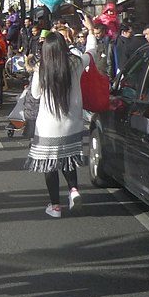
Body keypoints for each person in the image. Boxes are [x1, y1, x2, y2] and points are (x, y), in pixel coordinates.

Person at [26, 13, 96, 218]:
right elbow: (92, 52)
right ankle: (74, 190)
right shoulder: (75, 63)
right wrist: (91, 31)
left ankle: (55, 206)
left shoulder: (41, 67)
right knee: (68, 159)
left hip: (48, 125)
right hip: (73, 123)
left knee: (50, 164)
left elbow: (36, 93)